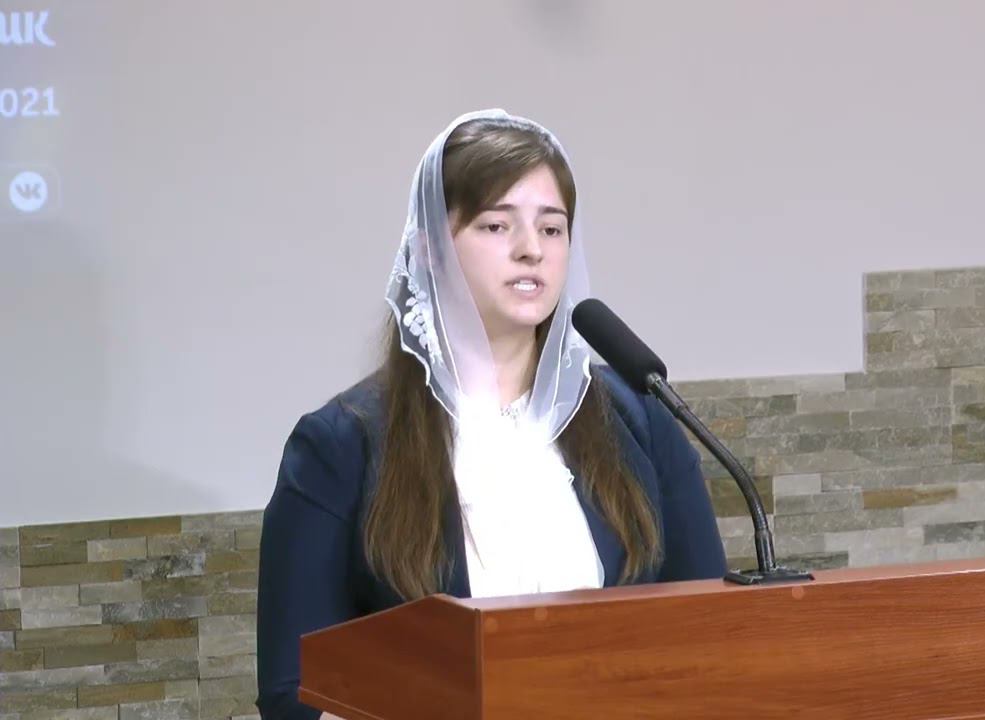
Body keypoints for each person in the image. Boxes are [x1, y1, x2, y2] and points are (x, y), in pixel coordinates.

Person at [254, 109, 728, 720]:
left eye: (552, 228)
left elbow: (712, 633)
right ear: (430, 249)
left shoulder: (640, 417)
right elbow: (293, 692)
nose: (531, 249)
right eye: (497, 225)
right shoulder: (340, 444)